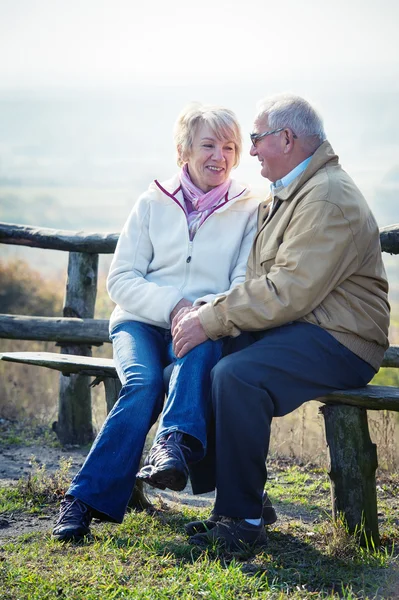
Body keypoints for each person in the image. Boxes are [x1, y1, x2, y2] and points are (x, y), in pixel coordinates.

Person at [172, 93, 390, 552]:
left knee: (237, 375)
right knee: (208, 359)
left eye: (255, 139)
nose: (249, 151)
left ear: (286, 138)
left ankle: (241, 521)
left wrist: (213, 317)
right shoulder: (295, 191)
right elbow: (263, 281)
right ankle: (245, 502)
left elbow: (288, 290)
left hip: (342, 339)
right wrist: (208, 317)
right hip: (304, 327)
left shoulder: (327, 198)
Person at [52, 102, 266, 542]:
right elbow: (121, 280)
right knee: (143, 385)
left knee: (203, 343)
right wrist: (174, 305)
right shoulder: (152, 201)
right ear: (184, 150)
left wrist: (201, 310)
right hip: (139, 323)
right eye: (209, 144)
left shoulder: (249, 209)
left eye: (230, 147)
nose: (220, 156)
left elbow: (242, 281)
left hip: (203, 321)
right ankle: (81, 499)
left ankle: (171, 445)